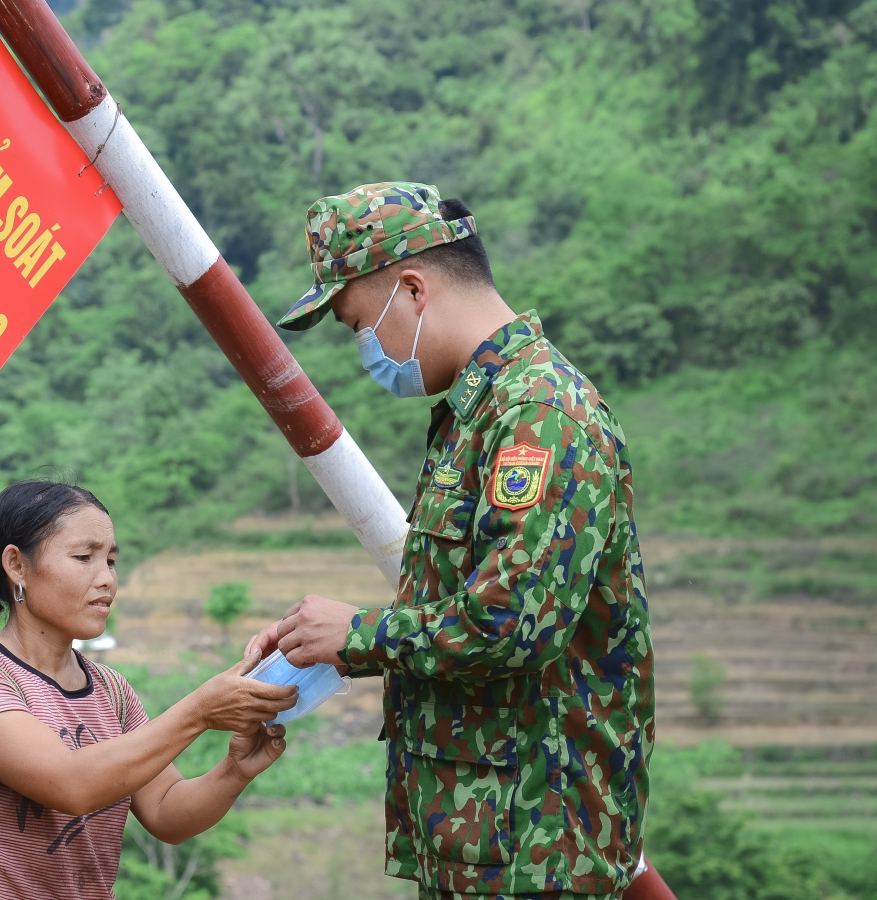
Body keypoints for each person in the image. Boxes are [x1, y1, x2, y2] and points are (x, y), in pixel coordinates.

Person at [249, 182, 654, 898]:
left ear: (412, 289)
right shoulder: (477, 413)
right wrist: (322, 647)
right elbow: (457, 607)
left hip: (539, 849)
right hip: (485, 840)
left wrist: (360, 634)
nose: (364, 350)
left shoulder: (539, 413)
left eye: (355, 325)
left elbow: (512, 623)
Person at [0, 480, 297, 900]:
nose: (107, 580)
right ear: (17, 565)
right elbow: (72, 785)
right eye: (84, 557)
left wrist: (235, 770)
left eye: (111, 561)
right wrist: (200, 712)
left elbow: (166, 811)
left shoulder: (111, 691)